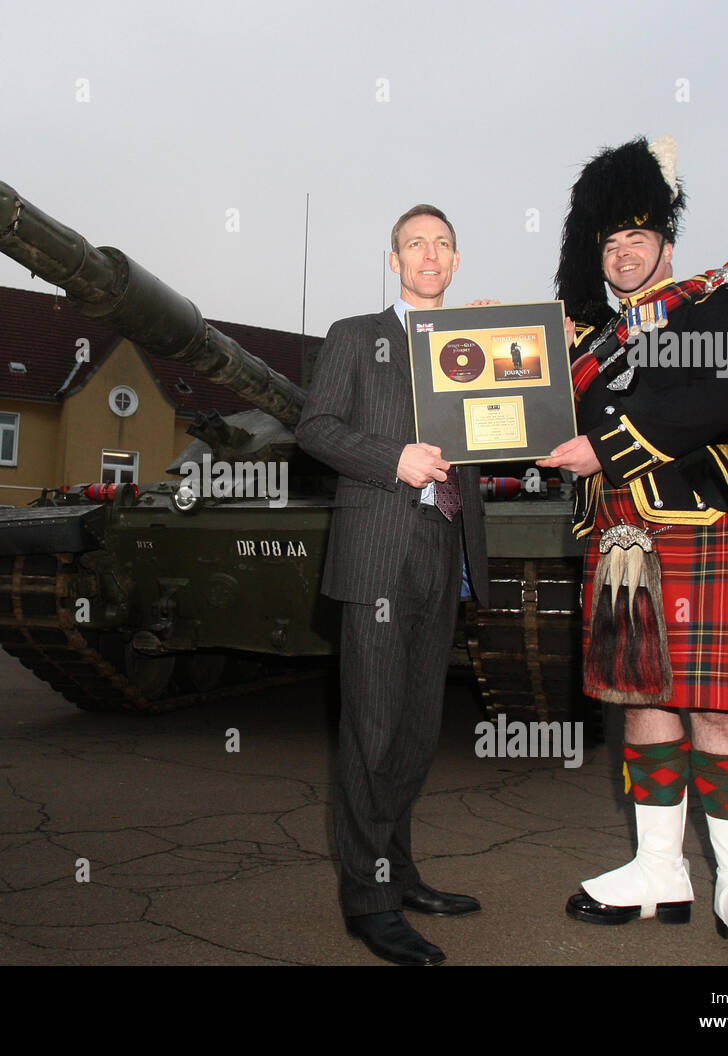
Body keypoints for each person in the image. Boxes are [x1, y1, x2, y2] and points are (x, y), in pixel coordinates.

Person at [538, 137, 728, 967]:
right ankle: (657, 869)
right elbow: (546, 422)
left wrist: (603, 448)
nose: (625, 251)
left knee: (718, 711)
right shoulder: (590, 338)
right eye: (611, 242)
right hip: (620, 545)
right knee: (643, 703)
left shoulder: (709, 304)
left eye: (638, 235)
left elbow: (718, 394)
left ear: (667, 243)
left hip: (703, 535)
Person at [296, 204, 490, 966]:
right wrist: (392, 458)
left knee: (415, 729)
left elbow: (509, 425)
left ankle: (399, 871)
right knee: (371, 731)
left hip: (446, 551)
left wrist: (508, 345)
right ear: (395, 261)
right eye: (416, 244)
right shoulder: (356, 336)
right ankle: (368, 901)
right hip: (378, 553)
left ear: (457, 259)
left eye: (443, 243)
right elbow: (314, 428)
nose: (430, 255)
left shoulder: (469, 341)